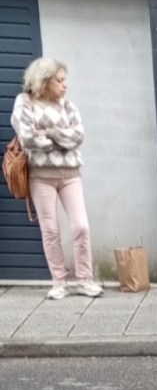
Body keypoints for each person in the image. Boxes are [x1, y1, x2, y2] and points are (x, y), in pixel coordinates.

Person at [9, 57, 103, 300]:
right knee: (50, 230)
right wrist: (61, 140)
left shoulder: (68, 106)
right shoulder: (25, 103)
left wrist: (49, 132)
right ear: (44, 81)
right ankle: (59, 281)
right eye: (59, 80)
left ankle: (85, 279)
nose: (64, 85)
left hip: (70, 175)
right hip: (41, 177)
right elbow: (28, 138)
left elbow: (78, 136)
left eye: (65, 80)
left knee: (81, 226)